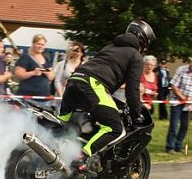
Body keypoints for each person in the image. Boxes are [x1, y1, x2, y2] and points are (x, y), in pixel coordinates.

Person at [58, 20, 153, 169]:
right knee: (115, 128)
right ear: (143, 41)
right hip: (92, 85)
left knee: (64, 124)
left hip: (74, 80)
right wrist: (136, 114)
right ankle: (81, 158)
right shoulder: (135, 56)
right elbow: (132, 90)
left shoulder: (110, 47)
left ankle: (55, 151)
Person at [166, 53, 192, 154]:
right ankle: (170, 147)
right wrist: (183, 98)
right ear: (190, 62)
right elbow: (174, 86)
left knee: (185, 126)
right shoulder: (181, 70)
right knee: (174, 125)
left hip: (189, 104)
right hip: (177, 101)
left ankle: (178, 145)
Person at [14, 33, 54, 99]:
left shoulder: (46, 59)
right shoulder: (25, 57)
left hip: (44, 97)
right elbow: (18, 74)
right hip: (28, 97)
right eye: (38, 44)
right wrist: (33, 73)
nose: (40, 46)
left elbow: (52, 76)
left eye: (42, 45)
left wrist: (49, 74)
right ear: (33, 44)